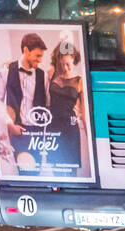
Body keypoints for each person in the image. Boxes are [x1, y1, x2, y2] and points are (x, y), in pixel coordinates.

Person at [46, 40, 84, 171]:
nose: (66, 68)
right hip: (53, 125)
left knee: (70, 166)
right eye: (62, 65)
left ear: (74, 59)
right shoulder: (51, 74)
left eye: (68, 64)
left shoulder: (80, 81)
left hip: (70, 127)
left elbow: (84, 113)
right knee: (54, 164)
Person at [4, 33, 48, 136]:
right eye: (38, 55)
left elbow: (48, 105)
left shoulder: (43, 75)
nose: (40, 60)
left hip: (38, 132)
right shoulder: (7, 70)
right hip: (15, 131)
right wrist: (10, 125)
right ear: (26, 50)